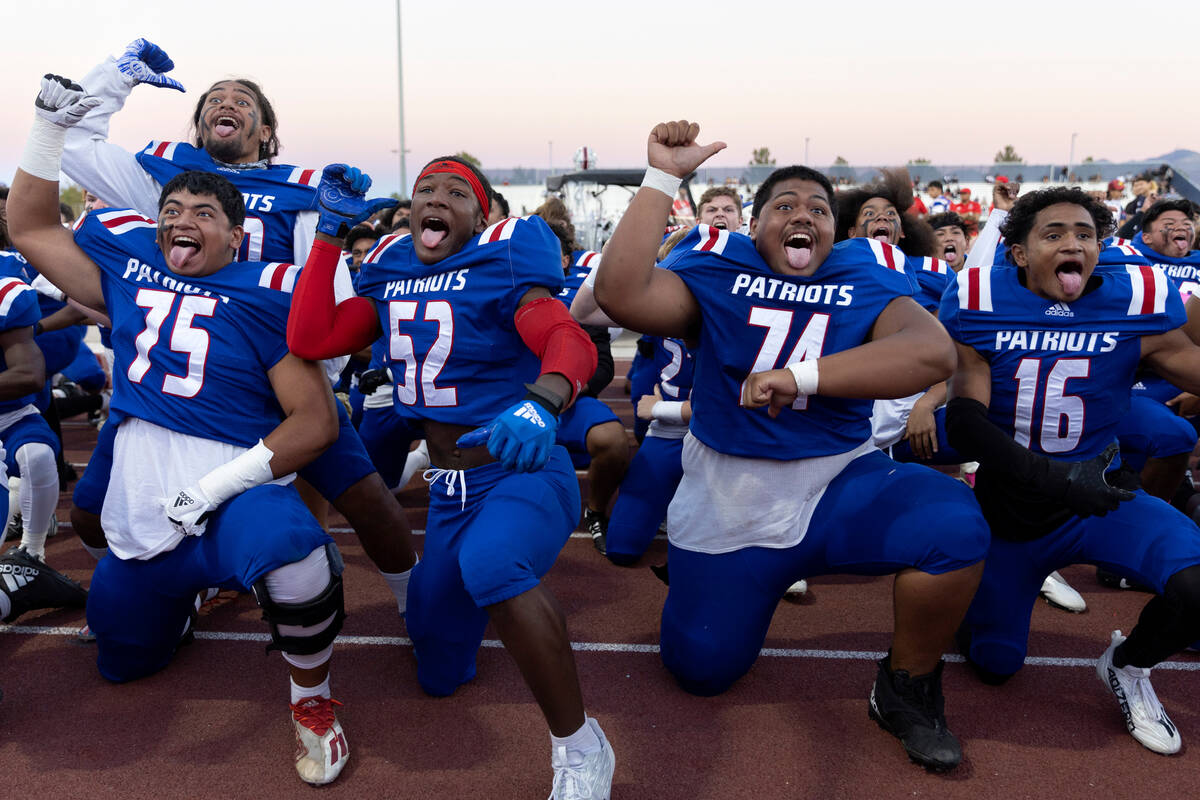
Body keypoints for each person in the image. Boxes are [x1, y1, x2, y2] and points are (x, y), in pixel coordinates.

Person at [595, 120, 989, 771]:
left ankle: (906, 687)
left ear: (835, 231)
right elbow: (621, 293)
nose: (802, 214)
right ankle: (734, 590)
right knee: (700, 669)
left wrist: (801, 377)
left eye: (817, 208)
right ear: (755, 227)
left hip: (839, 482)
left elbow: (929, 352)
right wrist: (664, 176)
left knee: (955, 524)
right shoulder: (719, 265)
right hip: (730, 497)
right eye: (784, 206)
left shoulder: (863, 270)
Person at [9, 75, 357, 784]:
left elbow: (316, 421)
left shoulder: (267, 294)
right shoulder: (126, 278)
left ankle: (313, 701)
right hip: (145, 502)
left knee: (295, 550)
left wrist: (214, 488)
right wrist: (46, 130)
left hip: (229, 496)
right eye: (171, 208)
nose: (181, 220)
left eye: (202, 210)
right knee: (121, 660)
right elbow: (32, 226)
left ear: (237, 234)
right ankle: (173, 611)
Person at [288, 156, 615, 799]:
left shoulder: (505, 263)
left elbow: (565, 338)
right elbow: (311, 336)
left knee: (493, 566)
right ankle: (500, 607)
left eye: (454, 192)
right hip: (448, 492)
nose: (434, 199)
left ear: (484, 214)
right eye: (424, 190)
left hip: (520, 470)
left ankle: (582, 747)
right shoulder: (391, 268)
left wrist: (542, 400)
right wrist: (327, 238)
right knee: (438, 668)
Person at [59, 39, 417, 611]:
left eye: (243, 99)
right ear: (199, 122)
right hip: (178, 384)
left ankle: (408, 599)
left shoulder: (301, 191)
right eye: (215, 98)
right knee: (90, 509)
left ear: (266, 127)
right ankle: (170, 584)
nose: (227, 102)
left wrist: (309, 376)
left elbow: (326, 295)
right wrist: (114, 79)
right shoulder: (164, 178)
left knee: (368, 501)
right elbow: (72, 146)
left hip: (273, 374)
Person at [943, 186, 1200, 755]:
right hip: (1015, 511)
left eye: (1085, 234)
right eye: (1053, 233)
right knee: (995, 664)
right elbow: (963, 420)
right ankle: (981, 596)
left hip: (1101, 496)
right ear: (1018, 252)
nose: (1072, 243)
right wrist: (1053, 479)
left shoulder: (1136, 306)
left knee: (1197, 584)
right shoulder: (984, 298)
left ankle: (1128, 665)